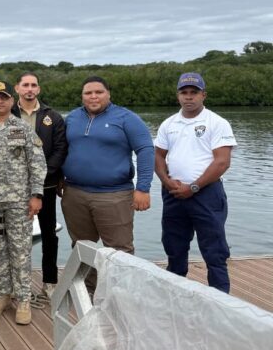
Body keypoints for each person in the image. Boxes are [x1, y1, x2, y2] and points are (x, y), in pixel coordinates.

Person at [155, 73, 237, 293]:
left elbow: (222, 162)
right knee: (174, 247)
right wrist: (166, 180)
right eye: (184, 92)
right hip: (173, 194)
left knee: (214, 251)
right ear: (178, 95)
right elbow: (158, 156)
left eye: (194, 93)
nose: (188, 97)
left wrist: (194, 187)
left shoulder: (216, 123)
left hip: (206, 193)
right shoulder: (169, 124)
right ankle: (175, 295)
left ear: (204, 95)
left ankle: (221, 300)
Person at [61, 76, 153, 257]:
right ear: (82, 96)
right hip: (74, 194)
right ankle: (88, 286)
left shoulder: (127, 118)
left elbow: (146, 151)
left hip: (114, 195)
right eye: (88, 93)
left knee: (119, 251)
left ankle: (119, 287)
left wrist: (143, 188)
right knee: (81, 249)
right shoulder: (72, 118)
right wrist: (58, 178)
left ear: (108, 94)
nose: (93, 96)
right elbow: (61, 150)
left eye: (99, 92)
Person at [0, 81, 47, 325]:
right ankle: (2, 295)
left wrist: (36, 195)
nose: (0, 101)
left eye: (4, 97)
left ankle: (23, 299)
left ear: (11, 101)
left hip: (19, 202)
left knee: (20, 251)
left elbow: (37, 163)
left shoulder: (22, 128)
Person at [13, 71, 67, 299]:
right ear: (17, 88)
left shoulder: (52, 117)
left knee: (48, 235)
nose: (30, 89)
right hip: (14, 187)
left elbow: (60, 149)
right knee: (15, 237)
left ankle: (49, 281)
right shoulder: (7, 113)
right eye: (25, 85)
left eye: (34, 85)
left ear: (39, 89)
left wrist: (42, 174)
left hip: (45, 187)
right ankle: (16, 285)